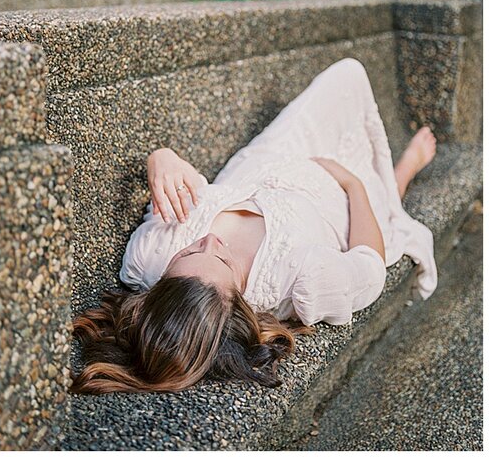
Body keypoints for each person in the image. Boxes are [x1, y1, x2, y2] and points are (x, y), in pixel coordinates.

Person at [71, 58, 438, 394]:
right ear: (240, 305)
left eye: (193, 248)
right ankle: (398, 177)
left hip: (269, 161)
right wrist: (351, 182)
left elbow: (169, 181)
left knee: (349, 73)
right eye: (224, 260)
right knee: (380, 199)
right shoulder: (308, 279)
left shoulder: (150, 256)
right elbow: (371, 261)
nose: (211, 240)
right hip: (335, 197)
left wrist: (161, 159)